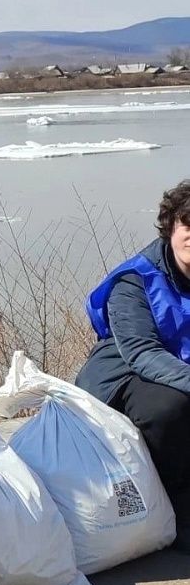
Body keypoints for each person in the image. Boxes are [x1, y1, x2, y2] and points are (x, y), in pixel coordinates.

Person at [77, 179, 190, 550]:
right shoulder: (135, 280)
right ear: (170, 227)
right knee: (170, 408)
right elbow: (142, 353)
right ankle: (178, 509)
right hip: (126, 377)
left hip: (178, 371)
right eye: (188, 223)